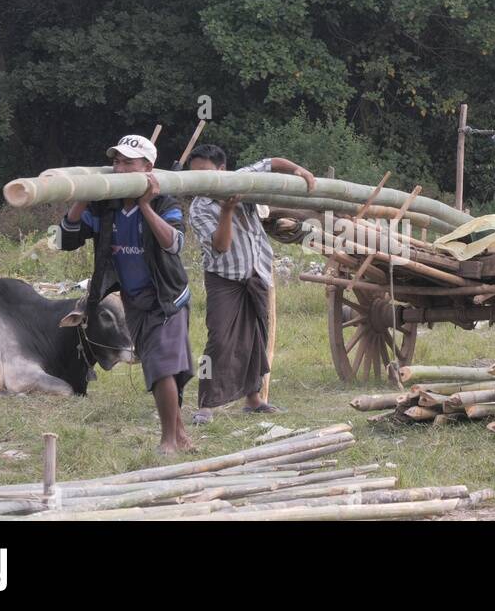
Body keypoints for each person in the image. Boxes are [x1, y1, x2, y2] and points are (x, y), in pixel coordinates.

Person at [59, 134, 195, 454]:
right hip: (135, 301)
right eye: (116, 162)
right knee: (159, 366)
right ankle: (182, 434)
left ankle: (169, 441)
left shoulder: (165, 201)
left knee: (162, 367)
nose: (119, 169)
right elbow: (65, 240)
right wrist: (82, 195)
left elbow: (174, 244)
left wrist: (146, 206)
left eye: (128, 163)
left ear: (148, 167)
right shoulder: (107, 205)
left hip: (168, 299)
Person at [187, 144, 315, 424]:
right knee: (219, 338)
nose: (200, 181)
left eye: (206, 174)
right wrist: (227, 210)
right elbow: (221, 247)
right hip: (224, 277)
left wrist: (297, 169)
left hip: (257, 271)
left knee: (258, 335)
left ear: (222, 171)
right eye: (194, 175)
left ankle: (253, 399)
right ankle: (206, 404)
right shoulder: (198, 209)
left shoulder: (242, 179)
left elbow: (271, 161)